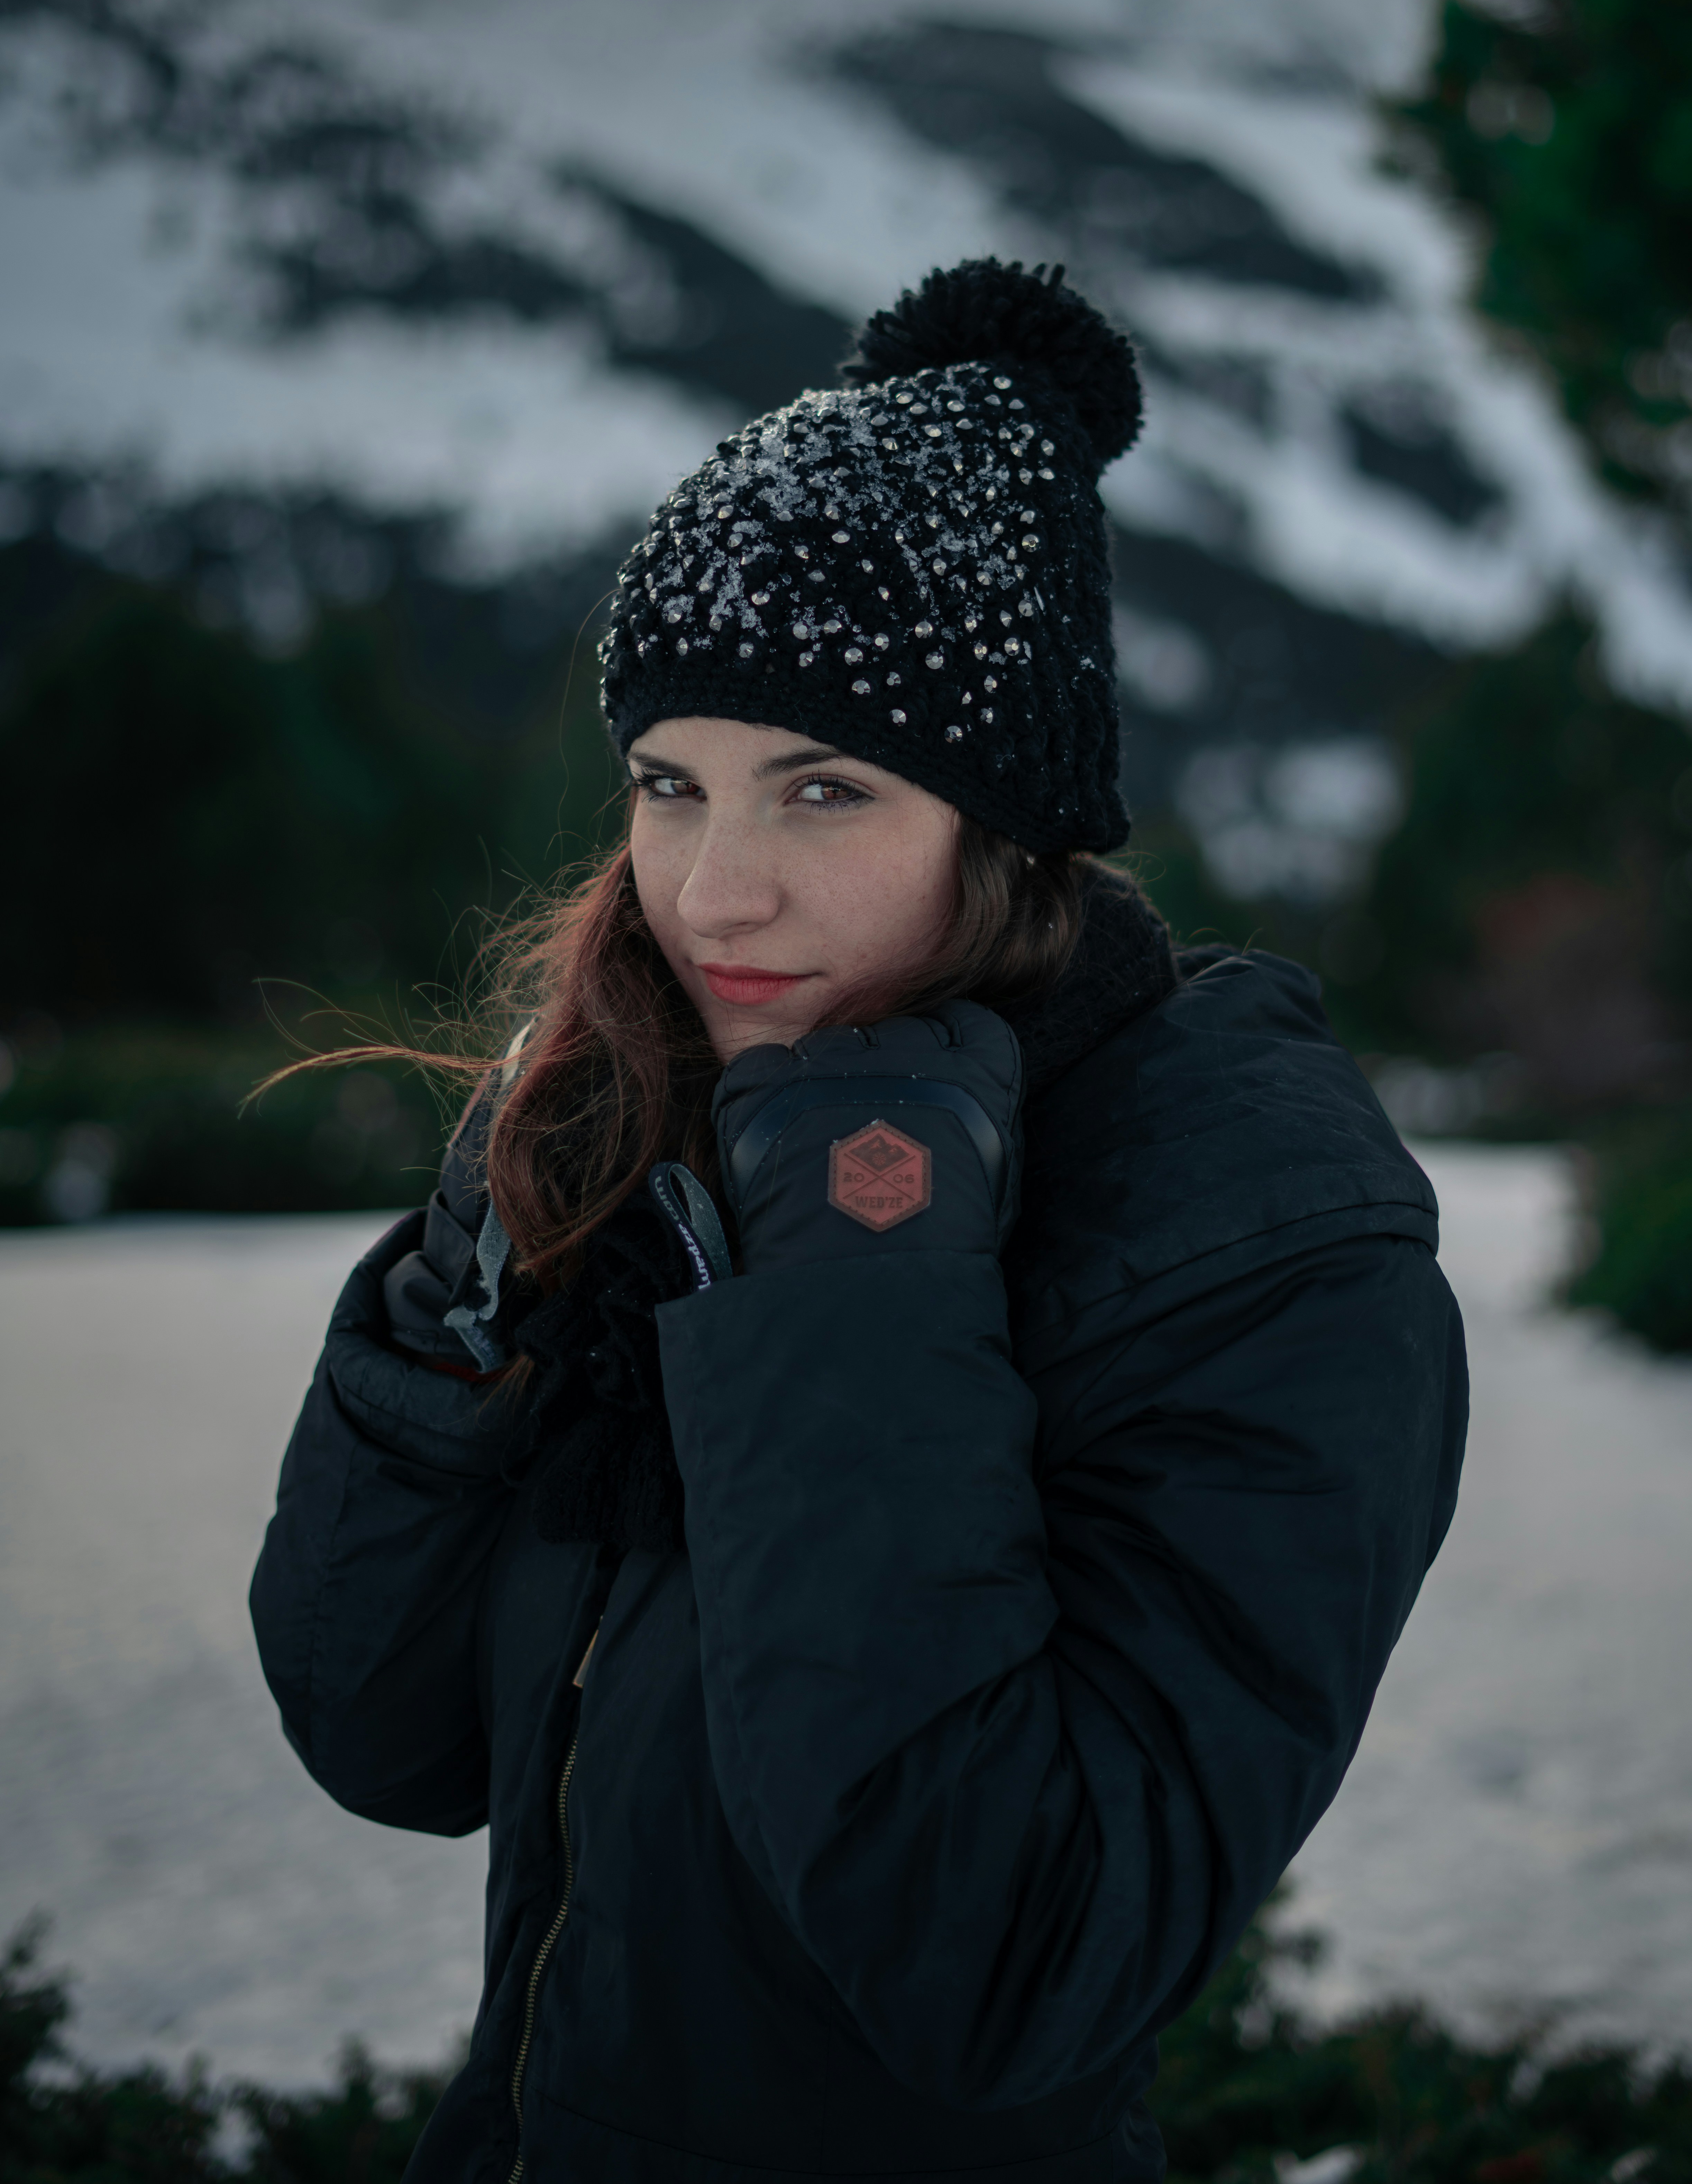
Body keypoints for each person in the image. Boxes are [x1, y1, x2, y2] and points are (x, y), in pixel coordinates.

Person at [251, 258, 1467, 2184]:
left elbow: (1012, 1961)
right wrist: (446, 1341)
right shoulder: (656, 1143)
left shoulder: (1262, 1246)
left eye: (822, 790)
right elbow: (392, 1747)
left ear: (1011, 825)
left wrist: (865, 1255)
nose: (713, 891)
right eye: (669, 784)